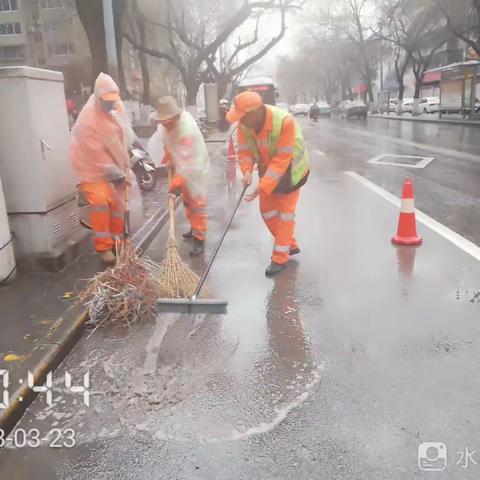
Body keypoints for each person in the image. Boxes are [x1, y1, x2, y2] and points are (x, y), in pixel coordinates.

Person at [226, 91, 309, 277]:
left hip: (292, 171)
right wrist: (246, 170)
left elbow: (282, 160)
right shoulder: (245, 124)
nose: (240, 121)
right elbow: (245, 150)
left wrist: (260, 186)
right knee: (267, 212)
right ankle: (290, 245)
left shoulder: (284, 122)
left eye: (242, 117)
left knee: (284, 215)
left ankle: (280, 258)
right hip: (269, 168)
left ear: (254, 113)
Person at [70, 73, 132, 265]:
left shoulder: (116, 109)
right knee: (101, 201)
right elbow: (95, 157)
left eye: (113, 100)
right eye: (107, 101)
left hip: (117, 167)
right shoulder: (87, 122)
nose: (111, 104)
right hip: (92, 172)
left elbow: (125, 137)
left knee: (118, 206)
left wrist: (127, 163)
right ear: (98, 98)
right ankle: (104, 247)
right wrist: (117, 173)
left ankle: (118, 241)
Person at [152, 96, 210, 256]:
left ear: (176, 117)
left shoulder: (186, 131)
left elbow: (187, 164)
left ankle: (200, 238)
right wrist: (170, 158)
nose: (165, 123)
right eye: (162, 121)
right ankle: (194, 228)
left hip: (195, 168)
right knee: (188, 203)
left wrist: (174, 188)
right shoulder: (164, 128)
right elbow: (168, 145)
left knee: (196, 204)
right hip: (182, 168)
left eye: (168, 120)